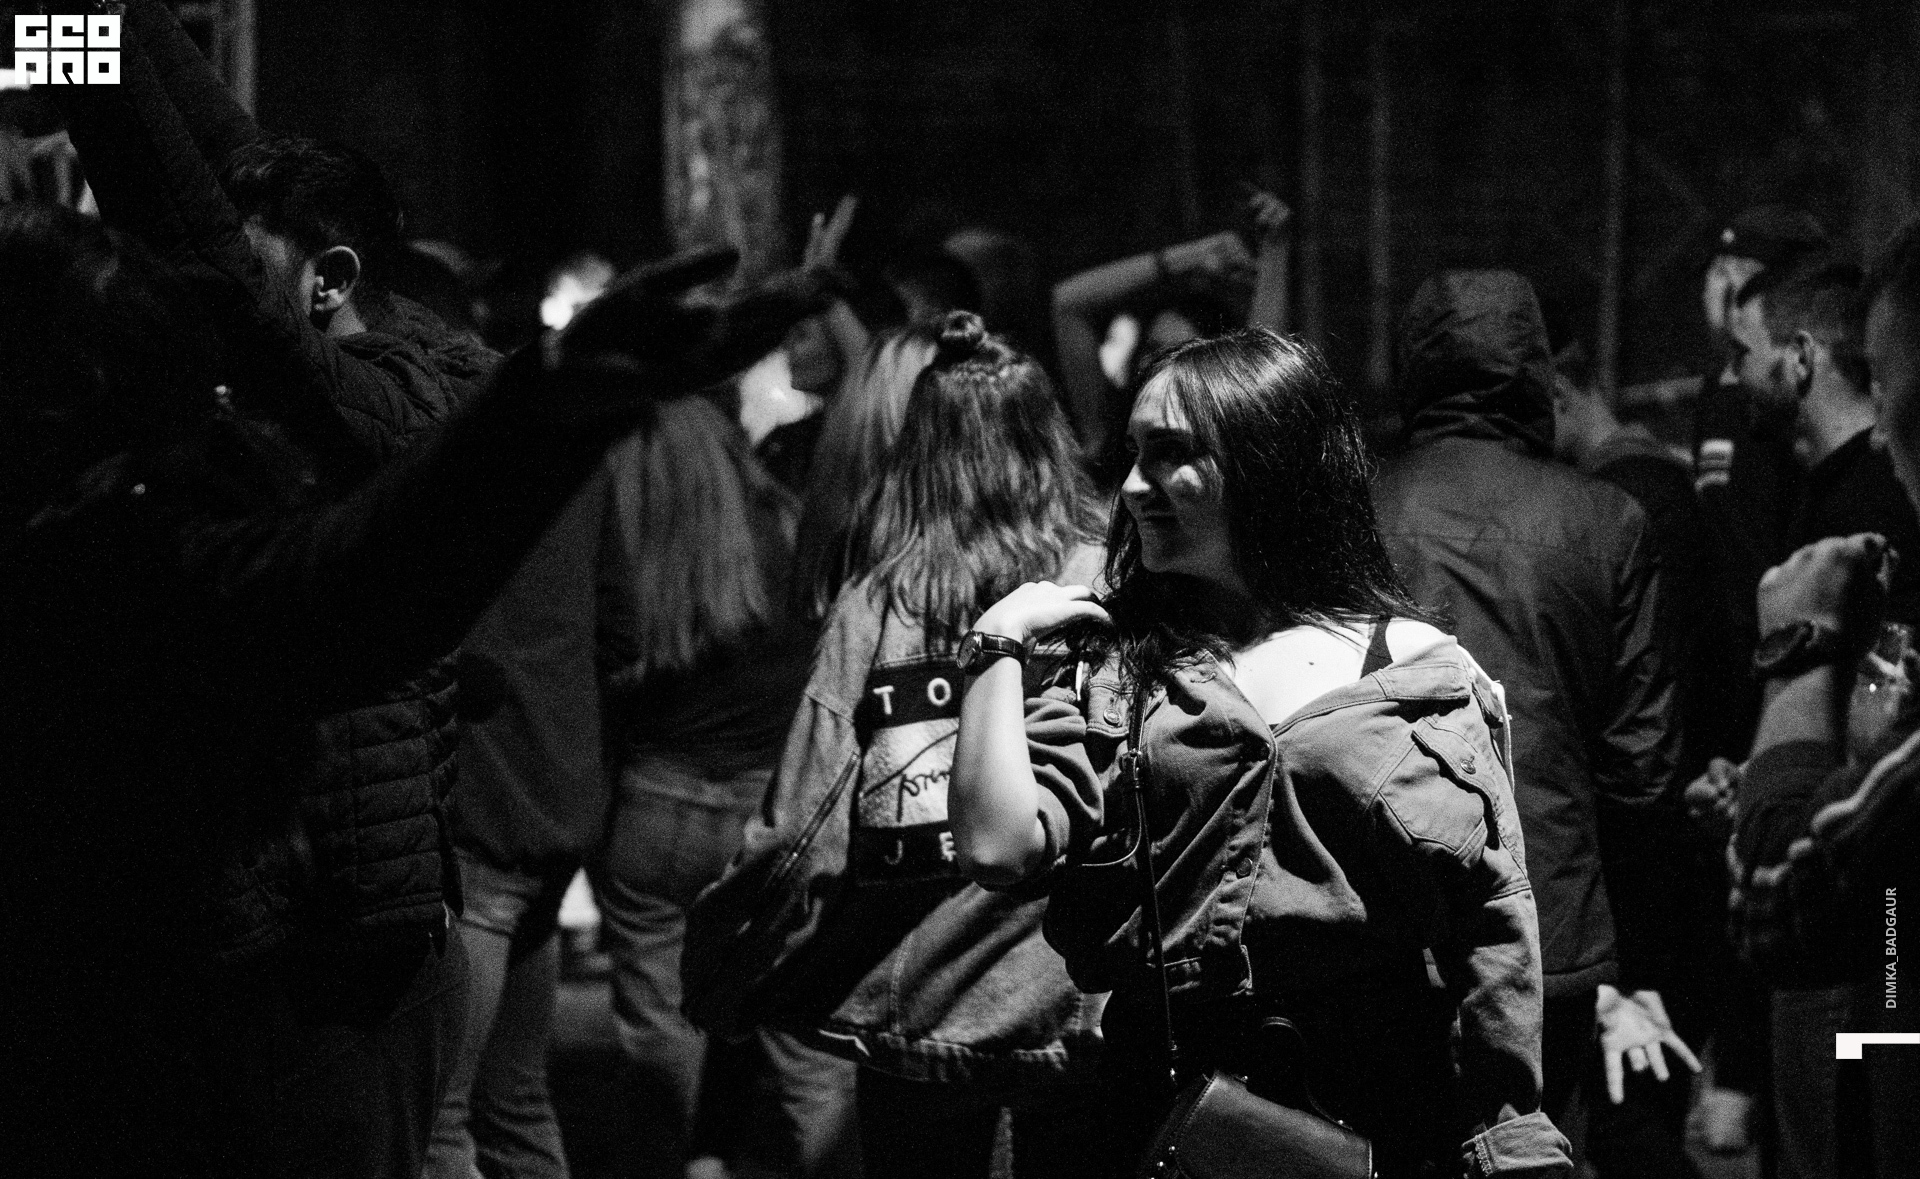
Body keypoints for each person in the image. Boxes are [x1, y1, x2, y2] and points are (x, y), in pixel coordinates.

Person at [0, 200, 830, 1177]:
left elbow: (352, 581)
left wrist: (553, 397)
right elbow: (355, 585)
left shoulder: (104, 558)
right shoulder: (96, 567)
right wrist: (548, 400)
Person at [947, 327, 1571, 1178]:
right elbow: (996, 845)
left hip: (1374, 1098)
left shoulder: (1413, 668)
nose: (1132, 486)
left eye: (1170, 453)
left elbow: (1491, 919)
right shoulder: (1116, 661)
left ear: (1267, 463)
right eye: (1133, 453)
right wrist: (995, 645)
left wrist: (1510, 1135)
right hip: (1165, 1099)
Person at [686, 312, 1109, 1179]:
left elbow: (803, 830)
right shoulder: (1102, 590)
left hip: (919, 1015)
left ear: (916, 455)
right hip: (1072, 1005)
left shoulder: (883, 604)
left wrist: (723, 963)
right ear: (1050, 443)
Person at [1372, 271, 1690, 1163]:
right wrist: (1635, 959)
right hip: (1553, 932)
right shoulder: (1608, 520)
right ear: (1536, 374)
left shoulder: (1355, 508)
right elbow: (1643, 772)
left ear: (1414, 370)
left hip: (1384, 915)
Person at [1723, 216, 1920, 1179]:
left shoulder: (1865, 512)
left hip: (1871, 932)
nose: (1881, 427)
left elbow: (1770, 889)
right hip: (1867, 897)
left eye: (1892, 385)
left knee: (1852, 1124)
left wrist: (1796, 650)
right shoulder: (1825, 493)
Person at [590, 381, 826, 1179]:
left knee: (660, 1029)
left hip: (655, 802)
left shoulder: (635, 548)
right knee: (802, 1041)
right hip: (769, 806)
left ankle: (675, 1159)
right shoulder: (788, 530)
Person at [1050, 187, 1292, 468]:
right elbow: (1068, 304)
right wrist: (1194, 256)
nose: (1158, 365)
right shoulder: (1109, 442)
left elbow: (1260, 358)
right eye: (1153, 349)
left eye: (1179, 354)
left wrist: (1275, 250)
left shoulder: (1228, 455)